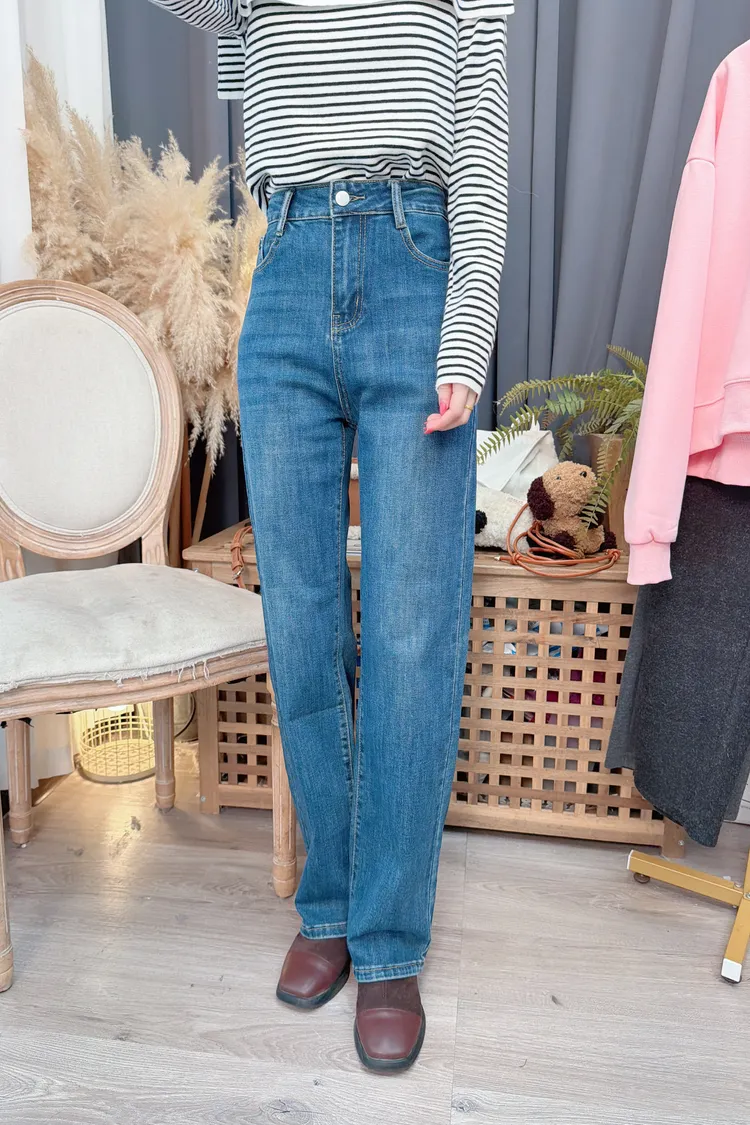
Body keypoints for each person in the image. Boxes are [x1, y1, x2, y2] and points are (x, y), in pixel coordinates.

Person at [150, 0, 512, 1072]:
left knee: (410, 629)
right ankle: (332, 902)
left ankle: (388, 938)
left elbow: (481, 147)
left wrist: (466, 334)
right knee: (303, 620)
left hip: (415, 261)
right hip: (288, 267)